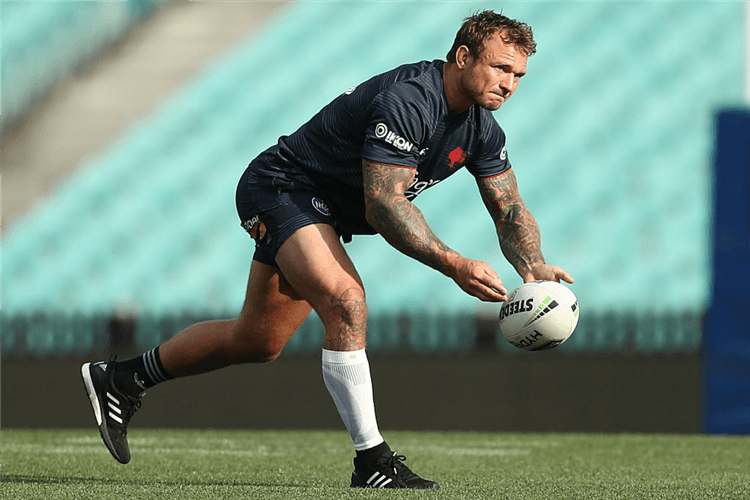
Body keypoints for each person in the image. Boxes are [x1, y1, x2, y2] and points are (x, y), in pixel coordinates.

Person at [81, 10, 573, 489]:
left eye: (519, 74)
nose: (510, 82)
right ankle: (372, 461)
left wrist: (533, 268)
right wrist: (453, 264)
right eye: (501, 67)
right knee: (346, 300)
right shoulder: (410, 100)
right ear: (463, 57)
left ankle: (123, 378)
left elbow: (508, 208)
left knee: (258, 340)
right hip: (282, 187)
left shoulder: (482, 128)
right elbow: (383, 204)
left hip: (323, 212)